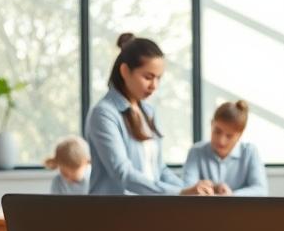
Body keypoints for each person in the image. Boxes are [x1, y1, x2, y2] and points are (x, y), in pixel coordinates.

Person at [85, 33, 212, 196]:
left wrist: (196, 191)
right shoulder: (103, 114)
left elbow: (159, 170)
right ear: (124, 71)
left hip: (147, 209)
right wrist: (181, 192)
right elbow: (123, 173)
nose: (154, 86)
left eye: (159, 78)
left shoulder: (148, 111)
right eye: (148, 77)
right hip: (114, 213)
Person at [183, 101, 268, 196]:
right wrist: (208, 188)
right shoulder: (196, 151)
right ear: (212, 124)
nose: (221, 140)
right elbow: (186, 190)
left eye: (229, 136)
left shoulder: (249, 152)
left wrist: (231, 196)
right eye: (217, 131)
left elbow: (260, 191)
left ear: (240, 135)